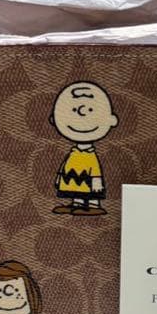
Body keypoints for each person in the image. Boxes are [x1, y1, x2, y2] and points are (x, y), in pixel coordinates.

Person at [50, 81, 119, 216]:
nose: (82, 113)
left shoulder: (90, 155)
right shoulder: (74, 153)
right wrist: (59, 177)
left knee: (90, 190)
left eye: (90, 110)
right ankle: (77, 204)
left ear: (111, 120)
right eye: (74, 110)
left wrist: (97, 181)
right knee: (77, 188)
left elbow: (95, 168)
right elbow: (65, 165)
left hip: (89, 178)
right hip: (73, 176)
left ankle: (93, 204)